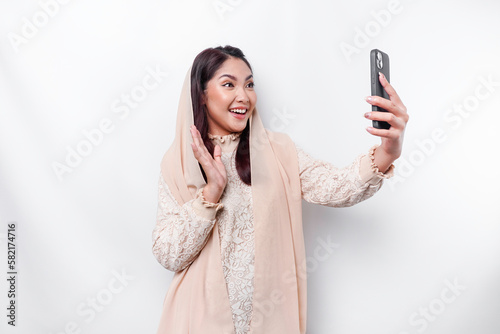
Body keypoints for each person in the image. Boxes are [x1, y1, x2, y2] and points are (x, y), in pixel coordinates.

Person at [152, 45, 408, 334]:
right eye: (228, 84)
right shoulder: (178, 162)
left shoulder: (278, 151)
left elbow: (337, 188)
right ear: (201, 93)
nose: (243, 96)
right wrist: (211, 191)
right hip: (197, 321)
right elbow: (168, 254)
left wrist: (389, 151)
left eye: (249, 85)